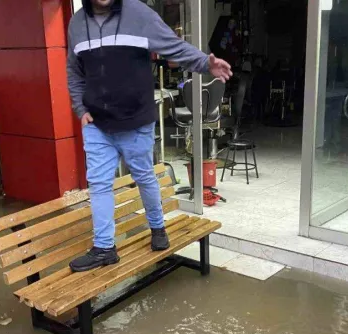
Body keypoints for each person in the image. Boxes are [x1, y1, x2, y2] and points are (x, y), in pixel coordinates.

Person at [66, 0, 232, 272]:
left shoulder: (139, 14)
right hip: (97, 123)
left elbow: (173, 45)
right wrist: (80, 107)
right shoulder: (76, 24)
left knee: (143, 176)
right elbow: (74, 70)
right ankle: (104, 247)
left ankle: (158, 229)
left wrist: (204, 63)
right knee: (98, 184)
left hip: (135, 121)